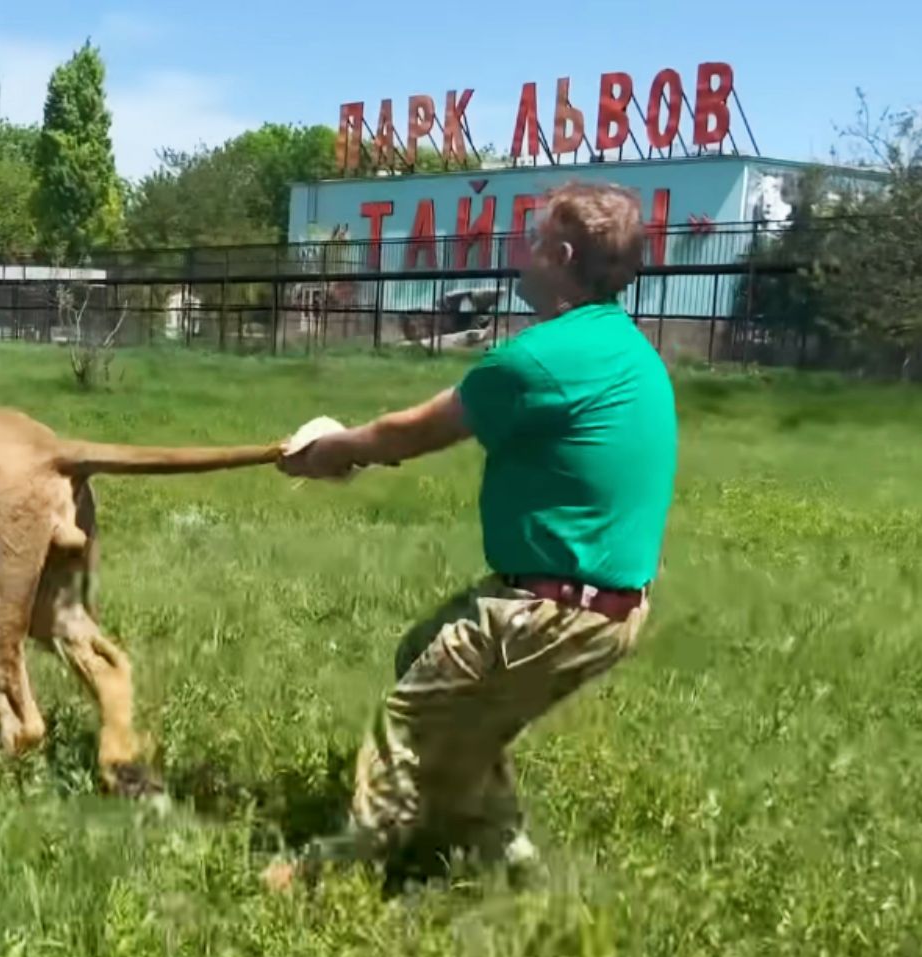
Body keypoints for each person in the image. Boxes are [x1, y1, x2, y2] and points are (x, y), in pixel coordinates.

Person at [270, 181, 678, 893]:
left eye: (529, 238)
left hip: (546, 610)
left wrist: (335, 448)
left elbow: (414, 431)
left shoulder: (537, 361)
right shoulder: (626, 348)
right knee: (434, 668)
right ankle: (501, 855)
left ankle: (342, 865)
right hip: (607, 607)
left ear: (559, 253)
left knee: (411, 718)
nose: (517, 252)